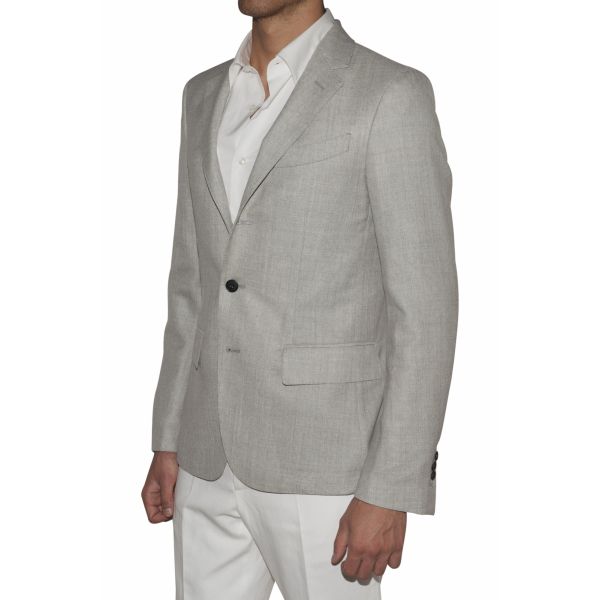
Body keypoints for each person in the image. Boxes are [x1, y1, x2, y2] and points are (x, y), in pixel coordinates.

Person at [141, 1, 458, 598]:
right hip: (205, 458)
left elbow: (426, 312)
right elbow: (191, 283)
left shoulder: (389, 93)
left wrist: (392, 485)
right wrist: (169, 435)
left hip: (328, 469)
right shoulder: (201, 95)